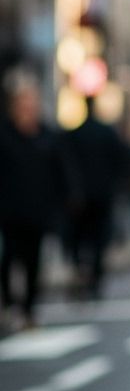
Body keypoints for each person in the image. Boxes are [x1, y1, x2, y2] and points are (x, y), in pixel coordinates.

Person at [0, 68, 72, 330]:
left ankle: (29, 309)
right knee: (8, 258)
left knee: (33, 261)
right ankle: (8, 304)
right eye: (23, 102)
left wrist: (65, 200)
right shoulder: (5, 135)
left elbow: (60, 171)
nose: (28, 108)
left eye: (31, 102)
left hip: (39, 209)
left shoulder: (47, 136)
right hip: (8, 209)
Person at [62, 98, 130, 300]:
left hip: (80, 196)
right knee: (99, 239)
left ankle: (81, 271)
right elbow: (124, 158)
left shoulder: (74, 134)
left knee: (79, 237)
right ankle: (94, 278)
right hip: (102, 194)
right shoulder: (107, 133)